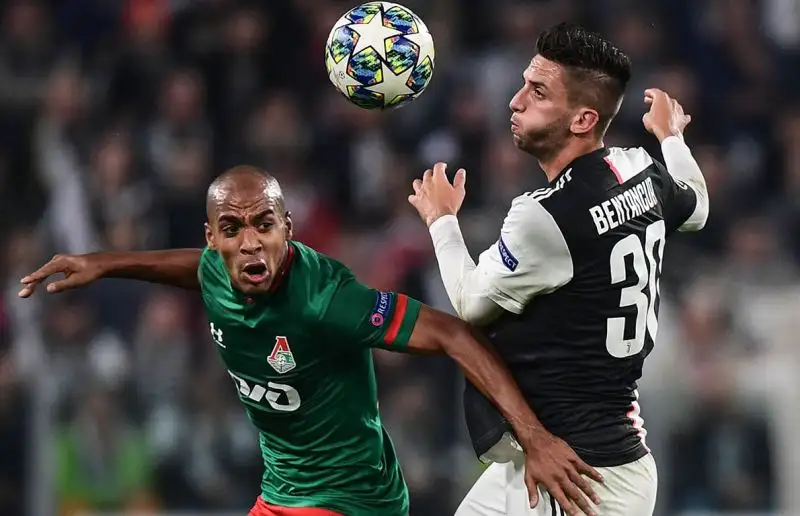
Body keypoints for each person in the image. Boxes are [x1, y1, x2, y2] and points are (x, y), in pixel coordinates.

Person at [19, 166, 604, 516]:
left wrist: (534, 437)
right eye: (232, 230)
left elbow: (452, 333)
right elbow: (187, 267)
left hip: (351, 500)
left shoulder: (326, 300)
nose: (251, 243)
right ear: (213, 238)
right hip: (282, 493)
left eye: (264, 224)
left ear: (287, 228)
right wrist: (102, 263)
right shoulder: (215, 270)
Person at [408, 23, 709, 516]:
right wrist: (671, 137)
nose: (515, 101)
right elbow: (696, 206)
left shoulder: (546, 215)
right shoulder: (640, 168)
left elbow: (470, 304)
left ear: (583, 119)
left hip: (585, 477)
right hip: (550, 458)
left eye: (538, 92)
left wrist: (441, 220)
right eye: (525, 84)